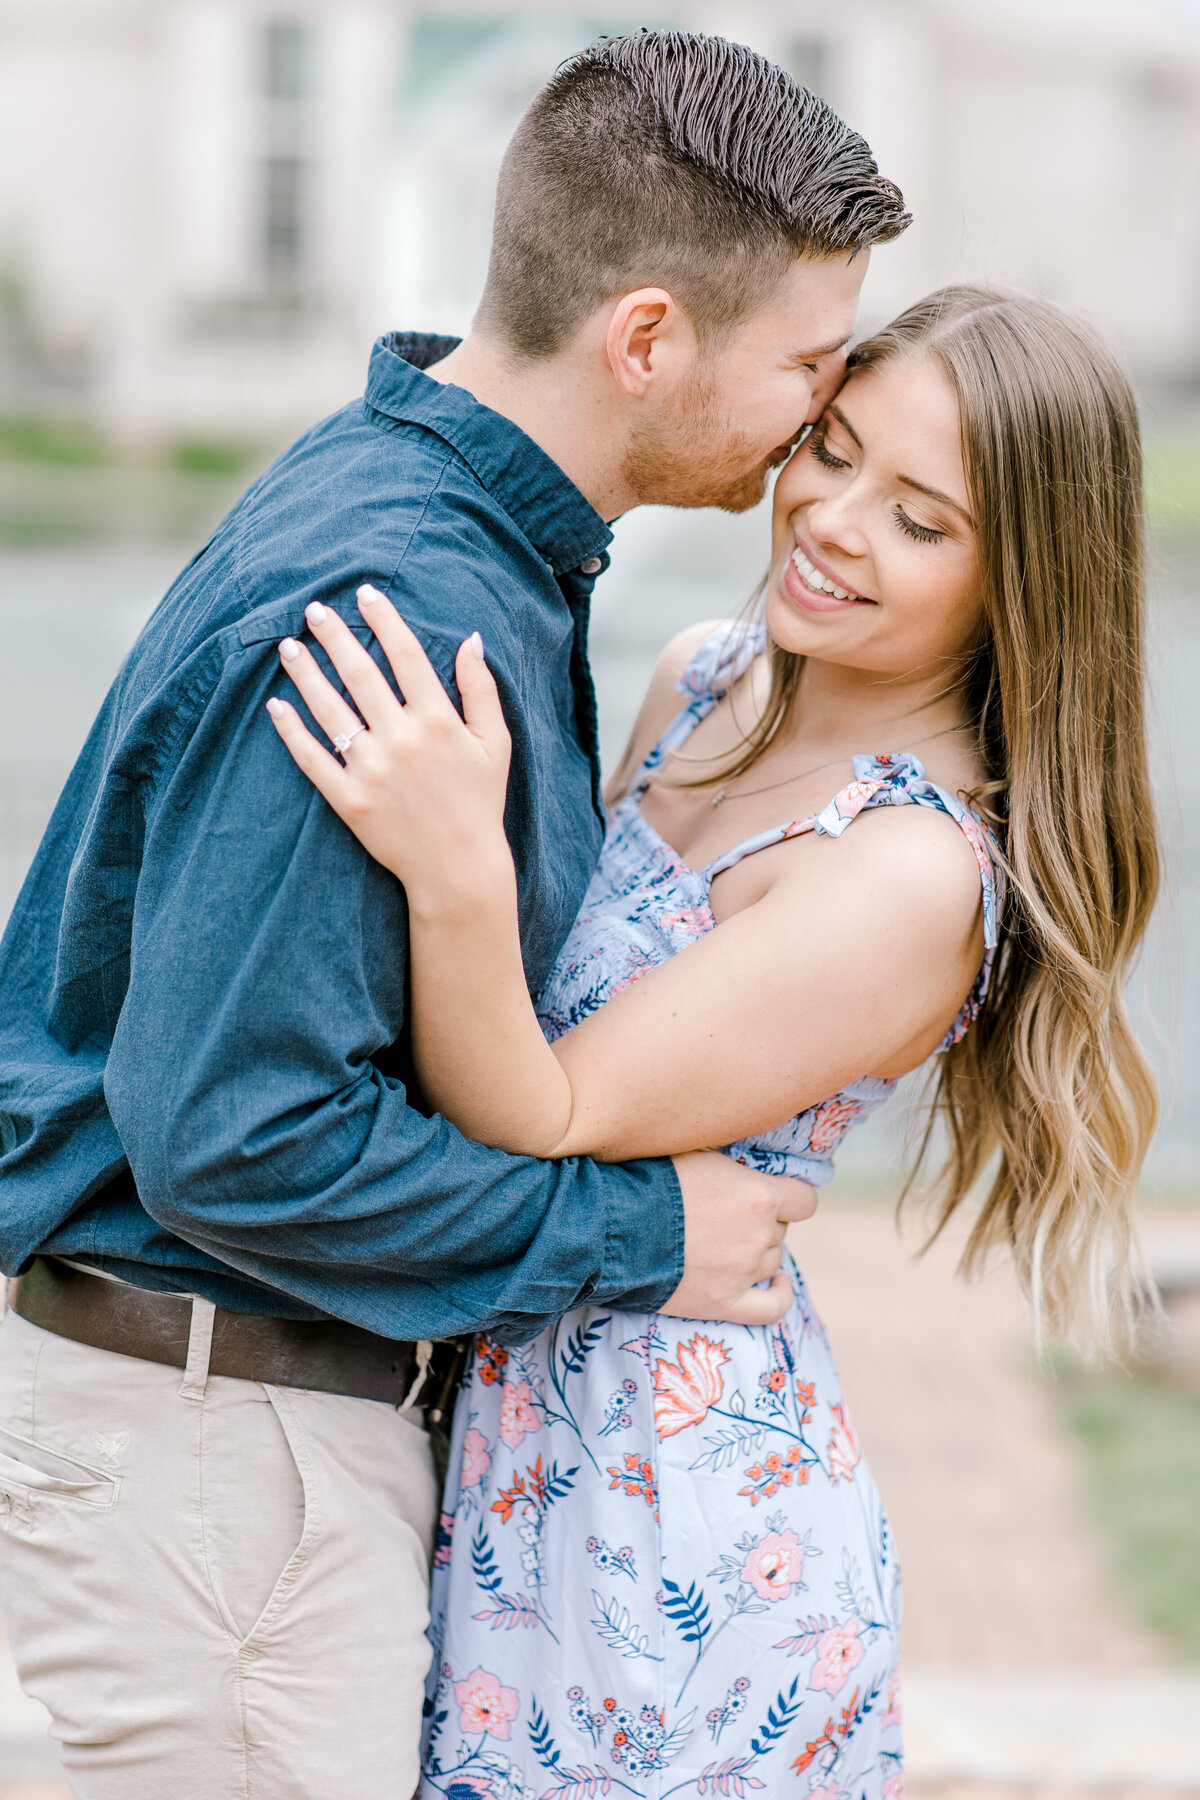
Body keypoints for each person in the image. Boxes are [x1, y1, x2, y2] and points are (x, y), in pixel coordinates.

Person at [0, 31, 910, 1800]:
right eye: (808, 365)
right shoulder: (406, 600)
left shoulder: (445, 524)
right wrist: (644, 1239)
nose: (820, 414)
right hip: (223, 1452)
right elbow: (237, 1142)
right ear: (648, 337)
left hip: (241, 1439)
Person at [271, 285, 1160, 1797]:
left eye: (921, 521)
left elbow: (540, 1104)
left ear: (1025, 579)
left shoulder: (908, 873)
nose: (830, 521)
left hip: (673, 1515)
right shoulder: (704, 681)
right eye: (832, 448)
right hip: (515, 1411)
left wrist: (454, 867)